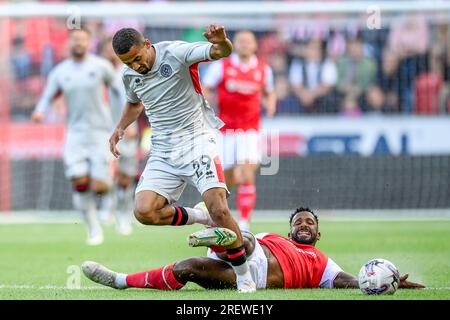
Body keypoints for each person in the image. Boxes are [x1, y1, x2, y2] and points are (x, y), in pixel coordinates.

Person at [108, 25, 256, 292]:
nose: (135, 66)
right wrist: (120, 127)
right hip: (163, 151)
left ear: (147, 44)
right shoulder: (129, 73)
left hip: (198, 141)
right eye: (127, 63)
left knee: (220, 210)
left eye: (137, 58)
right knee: (144, 211)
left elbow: (219, 52)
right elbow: (134, 102)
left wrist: (222, 41)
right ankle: (200, 216)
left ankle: (244, 275)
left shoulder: (176, 53)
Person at [82, 207, 425, 291]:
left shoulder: (323, 263)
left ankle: (120, 280)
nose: (304, 225)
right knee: (245, 237)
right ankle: (213, 228)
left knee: (187, 267)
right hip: (250, 252)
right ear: (290, 229)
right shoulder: (274, 236)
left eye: (310, 223)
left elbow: (353, 282)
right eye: (299, 222)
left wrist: (388, 283)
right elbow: (252, 240)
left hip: (250, 275)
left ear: (318, 234)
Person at [31, 27, 117, 246]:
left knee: (100, 186)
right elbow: (47, 96)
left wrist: (126, 118)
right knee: (79, 181)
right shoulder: (60, 72)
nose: (78, 43)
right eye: (75, 40)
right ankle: (93, 228)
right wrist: (40, 110)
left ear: (89, 43)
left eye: (82, 40)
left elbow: (120, 90)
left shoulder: (101, 67)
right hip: (75, 134)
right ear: (69, 43)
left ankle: (110, 198)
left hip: (100, 133)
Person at [203, 30, 277, 231]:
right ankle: (218, 214)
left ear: (255, 46)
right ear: (234, 44)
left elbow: (269, 93)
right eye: (241, 41)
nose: (244, 45)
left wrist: (270, 105)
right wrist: (209, 104)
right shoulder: (222, 66)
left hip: (250, 130)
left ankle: (244, 222)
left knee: (246, 170)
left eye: (248, 42)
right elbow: (206, 88)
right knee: (226, 179)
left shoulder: (264, 70)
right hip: (225, 131)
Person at [100, 36, 140, 235]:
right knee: (107, 173)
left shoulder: (127, 72)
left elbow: (136, 100)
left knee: (125, 176)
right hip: (101, 130)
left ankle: (123, 214)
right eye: (107, 49)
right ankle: (107, 207)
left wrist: (129, 125)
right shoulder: (97, 72)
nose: (110, 53)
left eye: (113, 49)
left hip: (125, 130)